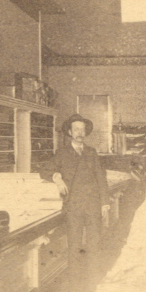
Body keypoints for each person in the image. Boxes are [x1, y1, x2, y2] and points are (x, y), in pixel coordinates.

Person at [47, 113, 110, 279]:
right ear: (69, 132)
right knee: (74, 244)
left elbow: (100, 177)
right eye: (76, 130)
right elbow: (44, 170)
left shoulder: (91, 152)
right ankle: (74, 281)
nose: (80, 133)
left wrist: (104, 203)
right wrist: (57, 178)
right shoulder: (61, 153)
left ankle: (94, 278)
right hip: (73, 205)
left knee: (94, 243)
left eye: (82, 130)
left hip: (93, 204)